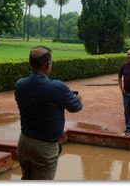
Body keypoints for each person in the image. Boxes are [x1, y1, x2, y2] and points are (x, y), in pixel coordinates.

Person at [15, 46, 83, 180]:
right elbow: (75, 107)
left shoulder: (20, 85)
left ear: (30, 64)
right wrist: (78, 99)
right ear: (47, 64)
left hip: (24, 143)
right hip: (45, 147)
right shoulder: (57, 87)